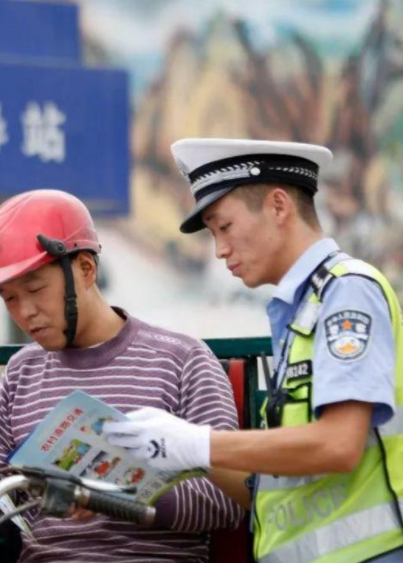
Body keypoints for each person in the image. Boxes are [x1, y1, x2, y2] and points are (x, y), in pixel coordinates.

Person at [103, 138, 403, 563]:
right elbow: (263, 489)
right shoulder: (299, 310)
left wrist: (198, 443)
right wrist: (165, 452)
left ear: (278, 206)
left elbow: (338, 444)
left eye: (223, 227)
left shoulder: (346, 289)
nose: (220, 249)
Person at [0, 189, 243, 562]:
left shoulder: (181, 360)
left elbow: (228, 502)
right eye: (8, 298)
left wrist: (117, 493)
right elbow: (4, 518)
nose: (24, 312)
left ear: (86, 269)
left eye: (36, 290)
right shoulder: (22, 372)